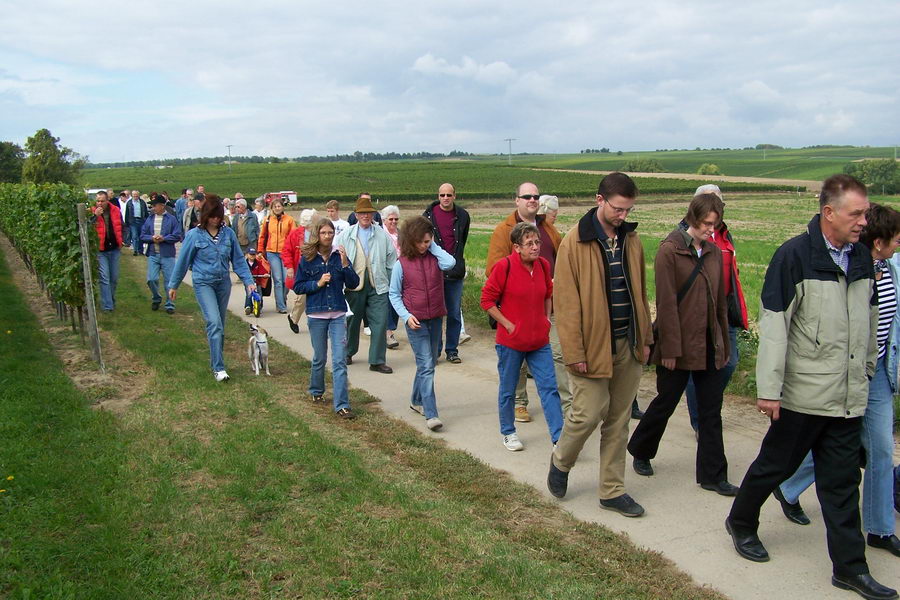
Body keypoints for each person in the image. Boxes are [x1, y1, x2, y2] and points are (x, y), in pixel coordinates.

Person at [725, 174, 897, 600]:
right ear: (829, 213)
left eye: (864, 213)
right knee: (773, 466)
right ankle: (741, 522)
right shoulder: (794, 257)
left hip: (848, 397)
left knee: (840, 486)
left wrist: (870, 369)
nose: (863, 221)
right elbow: (776, 326)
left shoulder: (861, 259)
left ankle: (850, 569)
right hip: (803, 395)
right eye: (856, 213)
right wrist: (769, 390)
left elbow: (873, 319)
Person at [772, 203, 900, 558]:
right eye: (896, 240)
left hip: (876, 375)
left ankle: (877, 528)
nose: (899, 245)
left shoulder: (890, 269)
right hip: (839, 375)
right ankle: (790, 487)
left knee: (863, 449)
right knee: (850, 448)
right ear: (879, 242)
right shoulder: (850, 266)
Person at [549, 173, 653, 517]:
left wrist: (646, 339)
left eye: (628, 209)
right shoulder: (574, 242)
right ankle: (561, 460)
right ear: (600, 200)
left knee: (619, 420)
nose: (623, 215)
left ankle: (612, 491)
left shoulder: (631, 239)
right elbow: (565, 304)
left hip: (628, 343)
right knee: (586, 415)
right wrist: (575, 353)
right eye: (618, 209)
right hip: (591, 348)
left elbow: (640, 292)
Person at [628, 193, 737, 496]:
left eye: (715, 225)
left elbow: (718, 303)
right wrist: (672, 351)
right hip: (677, 344)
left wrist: (722, 343)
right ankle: (641, 449)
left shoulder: (714, 253)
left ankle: (713, 476)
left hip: (708, 344)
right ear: (692, 218)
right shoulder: (670, 250)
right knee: (666, 401)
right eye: (705, 224)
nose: (710, 231)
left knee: (710, 410)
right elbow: (666, 304)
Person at [486, 182, 565, 423]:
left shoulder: (548, 229)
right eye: (527, 196)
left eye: (535, 196)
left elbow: (562, 259)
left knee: (557, 353)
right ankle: (519, 402)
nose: (532, 199)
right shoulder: (504, 230)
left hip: (546, 303)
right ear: (517, 200)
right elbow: (493, 269)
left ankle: (562, 403)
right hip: (516, 308)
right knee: (517, 361)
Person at [481, 222, 564, 452]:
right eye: (529, 243)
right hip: (511, 343)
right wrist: (507, 324)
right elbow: (487, 300)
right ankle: (508, 432)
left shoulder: (544, 266)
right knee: (508, 389)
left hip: (539, 342)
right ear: (517, 247)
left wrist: (546, 319)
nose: (536, 247)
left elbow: (548, 293)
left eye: (537, 242)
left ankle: (559, 438)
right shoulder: (504, 267)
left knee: (549, 388)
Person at [683, 184, 749, 433]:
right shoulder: (684, 234)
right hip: (699, 312)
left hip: (725, 309)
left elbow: (733, 271)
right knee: (696, 367)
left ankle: (709, 403)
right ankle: (701, 421)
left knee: (730, 363)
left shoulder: (725, 233)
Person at [169, 195, 256, 382]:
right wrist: (173, 285)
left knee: (220, 326)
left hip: (223, 283)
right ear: (205, 215)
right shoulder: (194, 235)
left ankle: (217, 360)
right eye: (212, 216)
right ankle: (219, 368)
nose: (216, 220)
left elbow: (239, 261)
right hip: (203, 283)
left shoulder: (228, 234)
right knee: (214, 322)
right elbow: (183, 261)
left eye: (218, 216)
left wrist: (249, 281)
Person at [389, 216, 456, 432]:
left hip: (435, 317)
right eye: (421, 241)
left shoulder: (435, 258)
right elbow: (394, 294)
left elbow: (451, 263)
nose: (424, 246)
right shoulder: (402, 264)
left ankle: (416, 400)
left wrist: (432, 245)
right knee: (427, 365)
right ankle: (431, 412)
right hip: (415, 321)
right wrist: (406, 316)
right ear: (410, 240)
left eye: (428, 241)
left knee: (428, 362)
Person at [293, 218, 360, 419]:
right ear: (317, 235)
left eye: (330, 233)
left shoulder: (338, 257)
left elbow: (354, 283)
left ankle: (342, 405)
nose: (328, 236)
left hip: (338, 314)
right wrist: (317, 283)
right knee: (320, 357)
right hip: (316, 314)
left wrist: (347, 264)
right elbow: (298, 286)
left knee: (339, 360)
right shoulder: (307, 258)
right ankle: (316, 390)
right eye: (323, 233)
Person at [335, 194, 397, 373]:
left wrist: (391, 283)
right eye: (362, 213)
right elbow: (338, 261)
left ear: (373, 215)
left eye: (368, 213)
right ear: (355, 215)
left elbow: (391, 259)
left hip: (378, 285)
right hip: (354, 285)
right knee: (352, 321)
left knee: (379, 322)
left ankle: (377, 361)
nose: (365, 216)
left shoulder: (381, 235)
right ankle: (348, 352)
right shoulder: (346, 235)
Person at [423, 182, 470, 364]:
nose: (445, 198)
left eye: (449, 195)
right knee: (435, 313)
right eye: (442, 195)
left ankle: (452, 350)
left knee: (454, 313)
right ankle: (435, 351)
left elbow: (462, 240)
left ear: (454, 196)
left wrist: (455, 261)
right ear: (438, 196)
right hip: (435, 273)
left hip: (455, 272)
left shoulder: (463, 216)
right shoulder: (427, 216)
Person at [140, 195, 183, 314]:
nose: (153, 208)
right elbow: (142, 235)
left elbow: (177, 235)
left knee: (169, 281)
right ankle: (156, 297)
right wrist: (152, 238)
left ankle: (170, 304)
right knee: (151, 279)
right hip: (153, 253)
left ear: (162, 206)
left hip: (167, 254)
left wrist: (164, 238)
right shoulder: (150, 219)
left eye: (155, 205)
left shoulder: (172, 219)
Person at [257, 199, 296, 314]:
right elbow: (262, 236)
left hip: (285, 252)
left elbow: (293, 236)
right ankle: (280, 305)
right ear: (272, 208)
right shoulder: (268, 220)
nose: (277, 208)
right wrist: (260, 250)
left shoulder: (289, 220)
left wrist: (293, 251)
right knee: (278, 280)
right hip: (272, 252)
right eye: (275, 206)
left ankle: (282, 298)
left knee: (287, 279)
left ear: (282, 207)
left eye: (279, 206)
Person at [90, 191, 123, 312]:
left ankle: (111, 300)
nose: (99, 203)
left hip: (114, 248)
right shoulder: (92, 211)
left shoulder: (115, 210)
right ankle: (107, 306)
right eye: (98, 201)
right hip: (100, 250)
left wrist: (121, 240)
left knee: (113, 278)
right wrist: (95, 215)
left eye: (102, 201)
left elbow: (121, 225)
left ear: (107, 200)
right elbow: (87, 226)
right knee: (104, 277)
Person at [282, 212, 310, 333]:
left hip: (317, 269)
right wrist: (289, 267)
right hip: (301, 270)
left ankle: (315, 323)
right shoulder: (296, 234)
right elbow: (286, 251)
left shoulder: (319, 233)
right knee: (302, 296)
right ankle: (294, 318)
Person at [381, 205, 402, 349]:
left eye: (396, 219)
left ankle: (390, 329)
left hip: (400, 272)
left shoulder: (400, 234)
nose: (393, 222)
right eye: (391, 219)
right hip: (384, 272)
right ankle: (388, 333)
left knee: (397, 300)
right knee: (388, 301)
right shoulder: (380, 234)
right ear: (384, 220)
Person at [244, 249, 270, 315]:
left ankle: (260, 307)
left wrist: (265, 274)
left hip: (257, 281)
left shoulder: (258, 263)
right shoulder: (245, 263)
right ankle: (248, 307)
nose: (252, 256)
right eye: (250, 254)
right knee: (249, 293)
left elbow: (262, 270)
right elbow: (243, 271)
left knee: (259, 293)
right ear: (247, 255)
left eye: (253, 254)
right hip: (249, 282)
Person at [124, 190, 149, 255]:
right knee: (135, 236)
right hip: (133, 221)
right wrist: (127, 222)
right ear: (132, 195)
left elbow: (145, 212)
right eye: (134, 195)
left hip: (141, 220)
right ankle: (135, 250)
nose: (135, 196)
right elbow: (127, 213)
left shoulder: (142, 202)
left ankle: (140, 250)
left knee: (141, 236)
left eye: (136, 195)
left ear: (138, 195)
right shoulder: (129, 203)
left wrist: (147, 220)